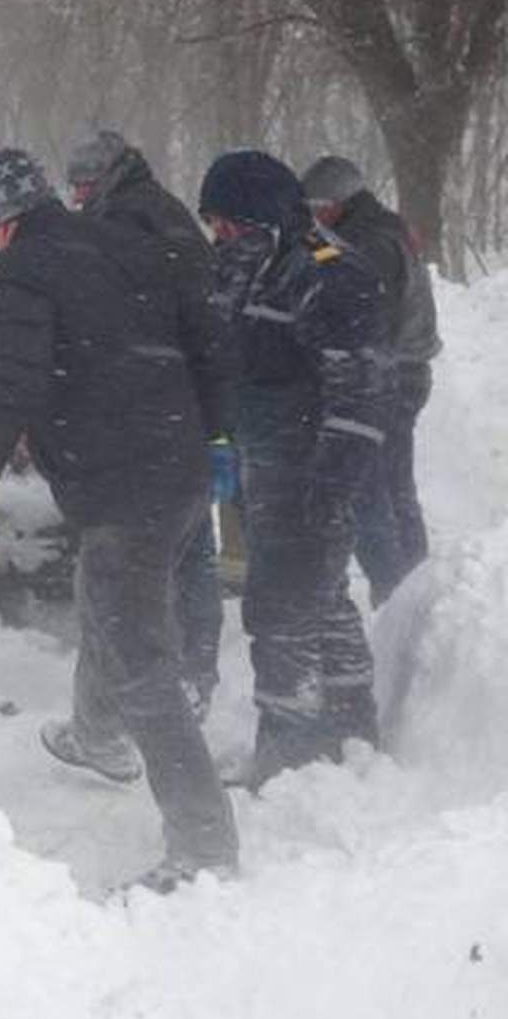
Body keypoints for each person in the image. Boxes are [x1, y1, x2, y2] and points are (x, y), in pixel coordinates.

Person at [0, 148, 239, 892]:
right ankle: (94, 734)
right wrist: (218, 435)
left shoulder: (23, 270)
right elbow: (202, 337)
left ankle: (203, 841)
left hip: (123, 487)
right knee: (104, 599)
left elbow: (11, 383)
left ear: (1, 224)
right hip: (178, 468)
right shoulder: (122, 241)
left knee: (141, 659)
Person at [199, 152, 386, 783]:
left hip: (309, 472)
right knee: (322, 599)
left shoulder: (326, 274)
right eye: (213, 224)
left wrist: (332, 483)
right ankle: (352, 731)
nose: (219, 236)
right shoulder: (251, 267)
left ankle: (290, 759)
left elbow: (358, 391)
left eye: (227, 224)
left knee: (280, 610)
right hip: (264, 462)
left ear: (263, 218)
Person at [65, 127, 229, 723]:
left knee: (131, 576)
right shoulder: (167, 216)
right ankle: (192, 676)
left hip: (149, 420)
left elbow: (176, 330)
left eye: (85, 185)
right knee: (189, 553)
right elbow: (207, 330)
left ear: (109, 176)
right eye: (73, 187)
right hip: (183, 414)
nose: (78, 197)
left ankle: (136, 704)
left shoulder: (123, 228)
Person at [299, 156, 440, 605]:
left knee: (377, 484)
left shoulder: (371, 241)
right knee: (393, 480)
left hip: (392, 372)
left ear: (341, 202)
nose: (316, 218)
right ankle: (415, 585)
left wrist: (308, 244)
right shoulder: (378, 228)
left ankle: (400, 591)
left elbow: (360, 300)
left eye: (319, 208)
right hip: (404, 368)